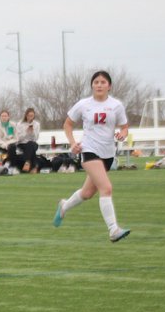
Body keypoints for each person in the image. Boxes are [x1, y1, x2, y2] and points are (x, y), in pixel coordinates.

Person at [54, 70, 130, 241]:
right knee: (106, 188)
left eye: (103, 82)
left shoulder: (116, 105)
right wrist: (73, 143)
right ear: (92, 86)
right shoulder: (83, 104)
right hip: (89, 150)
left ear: (109, 86)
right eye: (96, 82)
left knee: (87, 193)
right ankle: (113, 229)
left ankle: (64, 206)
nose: (99, 85)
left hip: (108, 154)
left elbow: (124, 126)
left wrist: (123, 133)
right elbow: (67, 124)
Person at [14, 107, 41, 172]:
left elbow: (36, 138)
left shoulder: (36, 124)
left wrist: (32, 132)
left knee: (31, 144)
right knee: (31, 149)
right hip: (22, 143)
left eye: (32, 116)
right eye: (29, 116)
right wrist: (26, 132)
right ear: (26, 115)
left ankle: (27, 162)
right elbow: (18, 138)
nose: (30, 117)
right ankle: (34, 167)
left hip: (32, 143)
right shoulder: (20, 124)